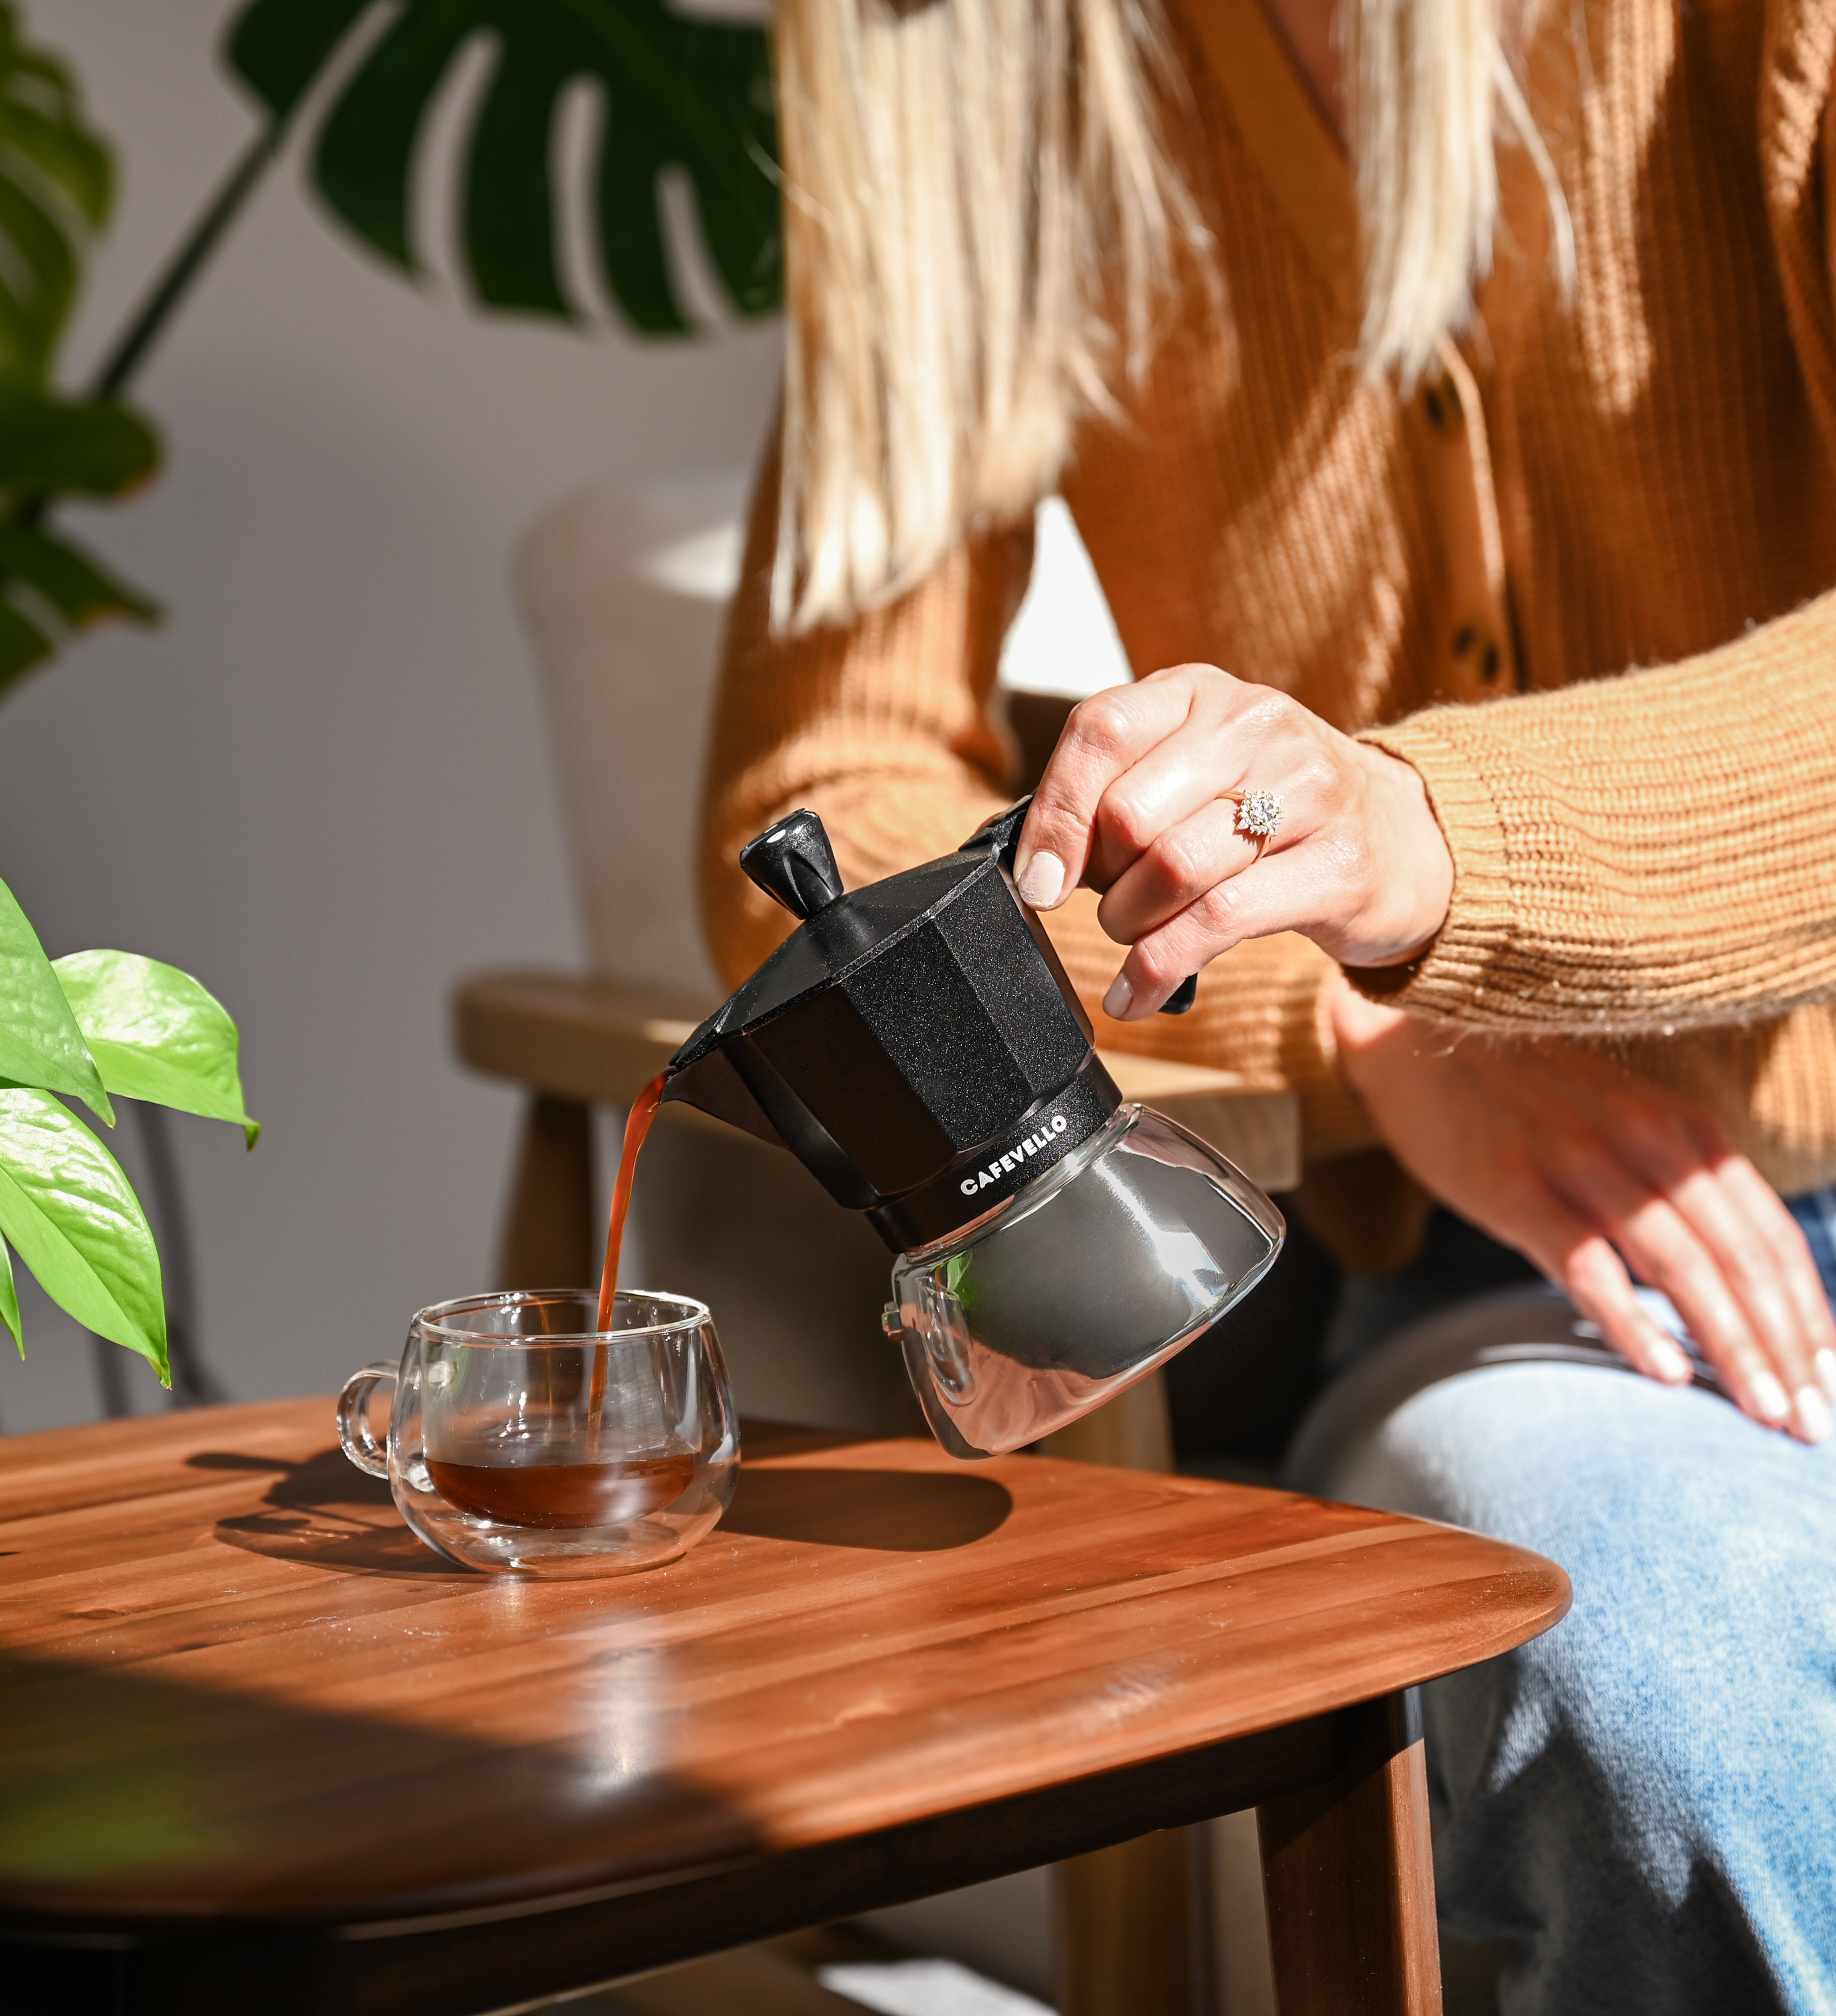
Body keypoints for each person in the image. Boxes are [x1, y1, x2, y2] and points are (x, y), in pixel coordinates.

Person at [699, 1, 1836, 2009]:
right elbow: (822, 804)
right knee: (1660, 1664)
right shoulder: (970, 66)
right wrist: (1347, 1019)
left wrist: (1437, 844)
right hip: (1534, 1299)